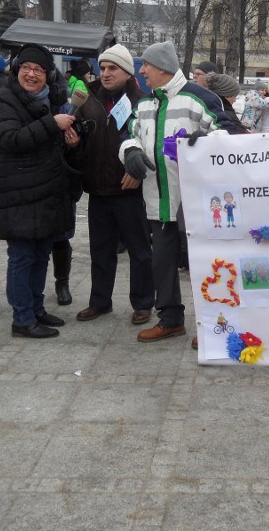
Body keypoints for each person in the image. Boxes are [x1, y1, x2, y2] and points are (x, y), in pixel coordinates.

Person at [120, 40, 228, 345]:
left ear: (163, 68)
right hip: (159, 201)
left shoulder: (198, 97)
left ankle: (214, 325)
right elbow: (131, 137)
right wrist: (129, 153)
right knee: (163, 263)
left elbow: (229, 129)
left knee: (206, 265)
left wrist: (205, 140)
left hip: (196, 203)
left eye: (147, 66)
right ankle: (170, 320)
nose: (141, 71)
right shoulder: (144, 103)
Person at [0, 43, 79, 338]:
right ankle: (22, 319)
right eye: (26, 68)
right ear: (16, 71)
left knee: (41, 255)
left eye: (38, 69)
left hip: (47, 191)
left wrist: (70, 141)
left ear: (47, 76)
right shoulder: (4, 101)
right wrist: (51, 124)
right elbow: (11, 139)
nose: (31, 74)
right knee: (22, 257)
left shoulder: (51, 101)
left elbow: (49, 144)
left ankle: (37, 309)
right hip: (17, 192)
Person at [69, 44, 156, 326]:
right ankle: (100, 302)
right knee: (100, 251)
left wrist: (139, 170)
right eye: (102, 68)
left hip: (129, 189)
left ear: (128, 72)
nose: (105, 73)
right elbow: (81, 142)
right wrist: (74, 143)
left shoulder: (143, 102)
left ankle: (143, 303)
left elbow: (149, 144)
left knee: (140, 251)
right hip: (97, 187)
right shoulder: (87, 99)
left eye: (112, 68)